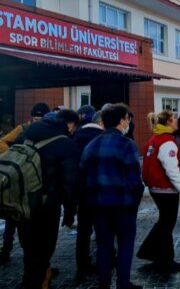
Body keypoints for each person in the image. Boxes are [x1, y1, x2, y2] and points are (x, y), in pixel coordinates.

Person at [80, 103, 143, 289]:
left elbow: (83, 176)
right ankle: (123, 283)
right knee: (125, 245)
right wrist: (135, 200)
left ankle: (104, 284)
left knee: (103, 246)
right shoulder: (126, 144)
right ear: (122, 120)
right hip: (123, 206)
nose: (128, 123)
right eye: (127, 120)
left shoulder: (91, 145)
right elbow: (135, 179)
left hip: (98, 206)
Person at [16, 109, 80, 289]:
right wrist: (70, 213)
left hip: (22, 202)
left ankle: (30, 280)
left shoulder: (25, 135)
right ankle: (36, 282)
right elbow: (70, 184)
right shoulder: (66, 144)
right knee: (44, 251)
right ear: (70, 124)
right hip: (47, 207)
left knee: (29, 250)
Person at [137, 110, 180, 273]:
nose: (177, 121)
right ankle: (164, 261)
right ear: (168, 122)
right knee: (167, 224)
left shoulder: (154, 139)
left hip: (156, 188)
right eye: (174, 119)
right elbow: (172, 169)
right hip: (166, 190)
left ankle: (156, 255)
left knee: (164, 222)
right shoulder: (167, 142)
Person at [0, 102, 50, 266]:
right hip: (17, 180)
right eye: (35, 118)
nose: (37, 121)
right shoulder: (22, 129)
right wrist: (13, 156)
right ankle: (6, 250)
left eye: (40, 118)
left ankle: (31, 260)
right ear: (31, 117)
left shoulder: (47, 133)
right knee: (12, 217)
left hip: (34, 182)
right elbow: (2, 142)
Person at [73, 111, 104, 282]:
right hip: (98, 189)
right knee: (102, 229)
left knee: (83, 231)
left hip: (81, 191)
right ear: (101, 123)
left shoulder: (76, 135)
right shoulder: (101, 138)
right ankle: (104, 262)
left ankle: (82, 266)